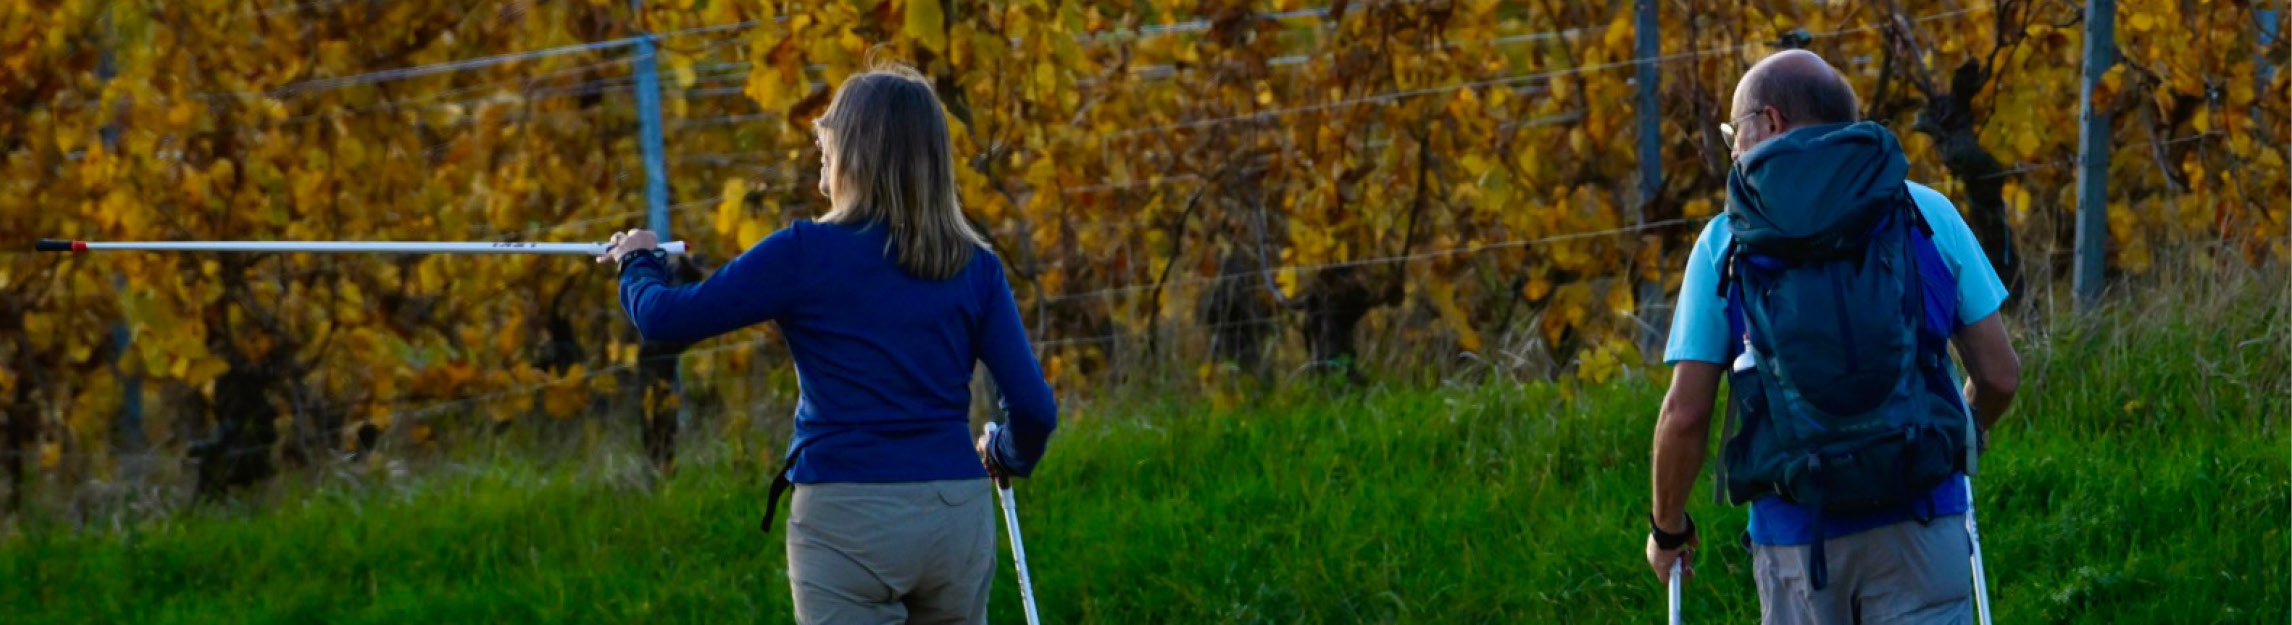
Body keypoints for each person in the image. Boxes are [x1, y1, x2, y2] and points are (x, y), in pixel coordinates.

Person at [600, 65, 1057, 625]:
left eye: (830, 136)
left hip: (848, 518)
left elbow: (665, 319)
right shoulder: (975, 266)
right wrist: (1006, 453)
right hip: (954, 517)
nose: (822, 147)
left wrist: (637, 263)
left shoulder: (803, 253)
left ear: (856, 151)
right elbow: (1034, 409)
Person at [1644, 50, 2022, 624]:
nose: (1734, 149)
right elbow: (1999, 375)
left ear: (1768, 122)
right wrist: (1962, 436)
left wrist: (1666, 527)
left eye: (1732, 133)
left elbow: (1686, 413)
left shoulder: (1725, 242)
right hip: (1922, 515)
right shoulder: (1926, 212)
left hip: (1798, 533)